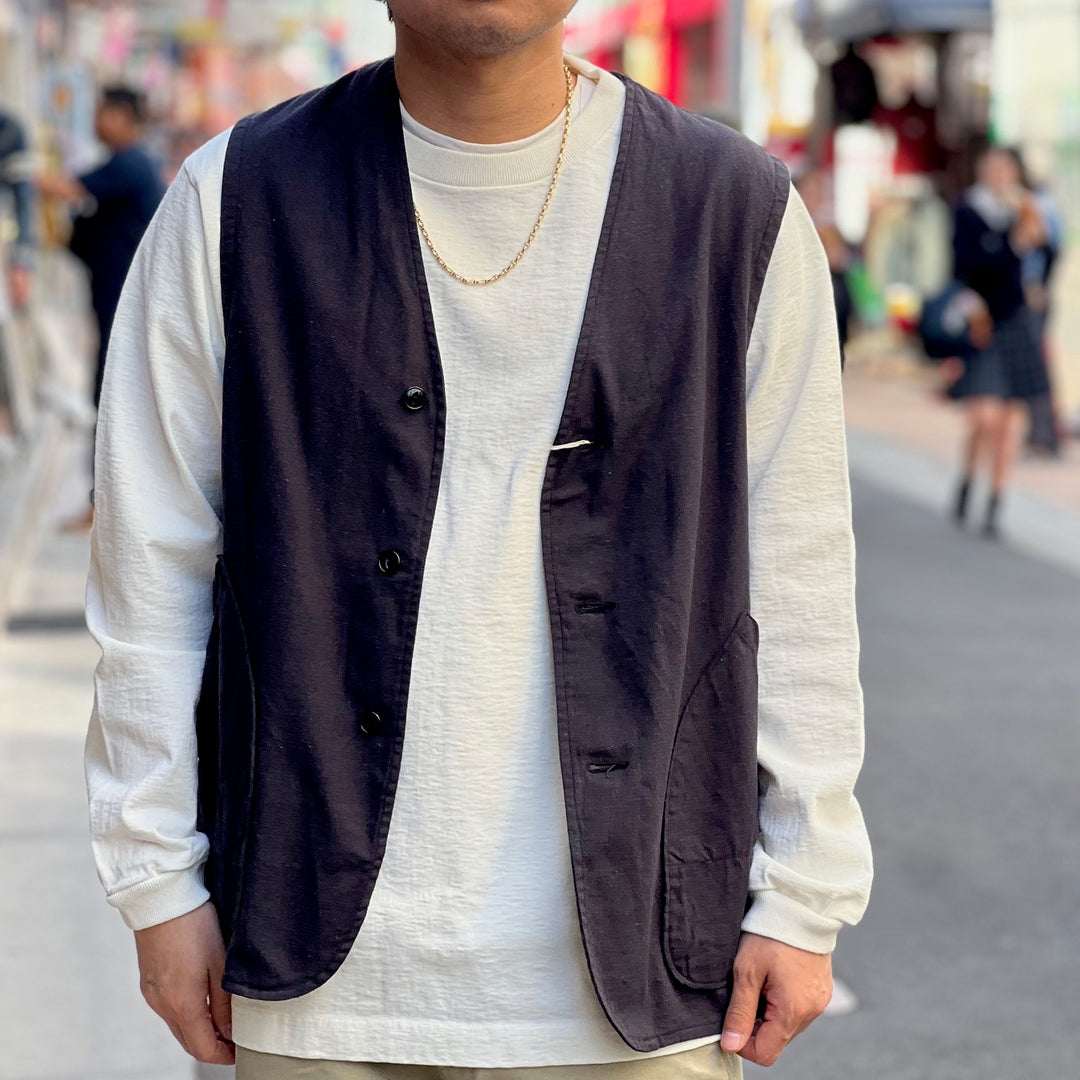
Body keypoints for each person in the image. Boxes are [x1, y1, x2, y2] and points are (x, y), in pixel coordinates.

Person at [85, 4, 873, 1078]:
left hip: (645, 972)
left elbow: (799, 571)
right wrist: (156, 882)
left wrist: (805, 892)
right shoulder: (235, 198)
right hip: (313, 972)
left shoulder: (732, 210)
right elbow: (150, 559)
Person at [39, 85, 164, 524]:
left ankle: (107, 507)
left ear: (122, 116)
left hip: (122, 303)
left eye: (100, 111)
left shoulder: (132, 164)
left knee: (112, 398)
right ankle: (107, 505)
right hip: (114, 300)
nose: (94, 119)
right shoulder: (126, 163)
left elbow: (67, 188)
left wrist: (21, 171)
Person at [949, 145, 1050, 539]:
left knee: (1010, 421)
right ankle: (968, 478)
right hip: (982, 320)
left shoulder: (1026, 209)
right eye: (992, 167)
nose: (999, 175)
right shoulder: (969, 210)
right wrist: (1012, 243)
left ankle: (995, 501)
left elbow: (1049, 253)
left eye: (1005, 168)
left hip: (1017, 318)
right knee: (984, 416)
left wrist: (1037, 272)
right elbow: (969, 264)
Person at [0, 107, 36, 461]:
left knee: (7, 336)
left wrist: (23, 261)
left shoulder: (7, 128)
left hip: (2, 250)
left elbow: (24, 199)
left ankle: (13, 423)